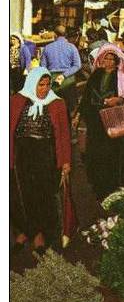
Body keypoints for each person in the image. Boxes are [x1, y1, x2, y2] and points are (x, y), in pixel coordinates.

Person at [10, 67, 71, 253]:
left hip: (46, 154)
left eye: (47, 85)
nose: (44, 89)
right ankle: (24, 231)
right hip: (22, 154)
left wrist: (65, 161)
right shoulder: (17, 101)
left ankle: (40, 235)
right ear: (32, 83)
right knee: (20, 195)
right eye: (40, 85)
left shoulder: (57, 103)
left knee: (43, 195)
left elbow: (63, 135)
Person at [73, 44, 124, 201]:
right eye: (105, 58)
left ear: (116, 61)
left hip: (114, 121)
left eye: (111, 58)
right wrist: (78, 115)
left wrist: (118, 99)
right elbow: (86, 97)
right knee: (95, 155)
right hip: (95, 122)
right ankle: (99, 187)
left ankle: (114, 188)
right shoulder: (96, 75)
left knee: (113, 156)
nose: (108, 61)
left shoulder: (121, 77)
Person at [40, 25, 82, 115]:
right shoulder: (72, 47)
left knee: (52, 110)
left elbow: (43, 67)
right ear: (66, 34)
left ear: (55, 35)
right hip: (68, 80)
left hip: (52, 80)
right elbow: (77, 65)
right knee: (68, 111)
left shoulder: (47, 47)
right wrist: (64, 75)